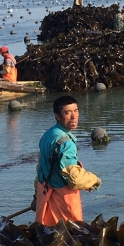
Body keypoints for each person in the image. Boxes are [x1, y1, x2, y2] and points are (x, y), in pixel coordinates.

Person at [33, 96, 100, 225]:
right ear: (57, 116)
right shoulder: (66, 144)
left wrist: (36, 196)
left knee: (46, 234)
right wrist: (94, 181)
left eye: (76, 110)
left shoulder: (48, 135)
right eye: (67, 112)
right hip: (63, 201)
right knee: (70, 238)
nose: (74, 116)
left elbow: (41, 168)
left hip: (45, 195)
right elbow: (74, 179)